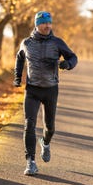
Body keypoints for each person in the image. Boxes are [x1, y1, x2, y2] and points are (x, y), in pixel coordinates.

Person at [13, 11, 78, 175]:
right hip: (32, 90)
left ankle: (45, 142)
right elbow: (20, 58)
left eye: (50, 23)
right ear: (37, 24)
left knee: (50, 127)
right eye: (44, 23)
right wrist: (17, 77)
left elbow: (73, 57)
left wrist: (68, 64)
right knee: (29, 124)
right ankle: (31, 162)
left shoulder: (57, 42)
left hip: (50, 90)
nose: (48, 26)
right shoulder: (26, 43)